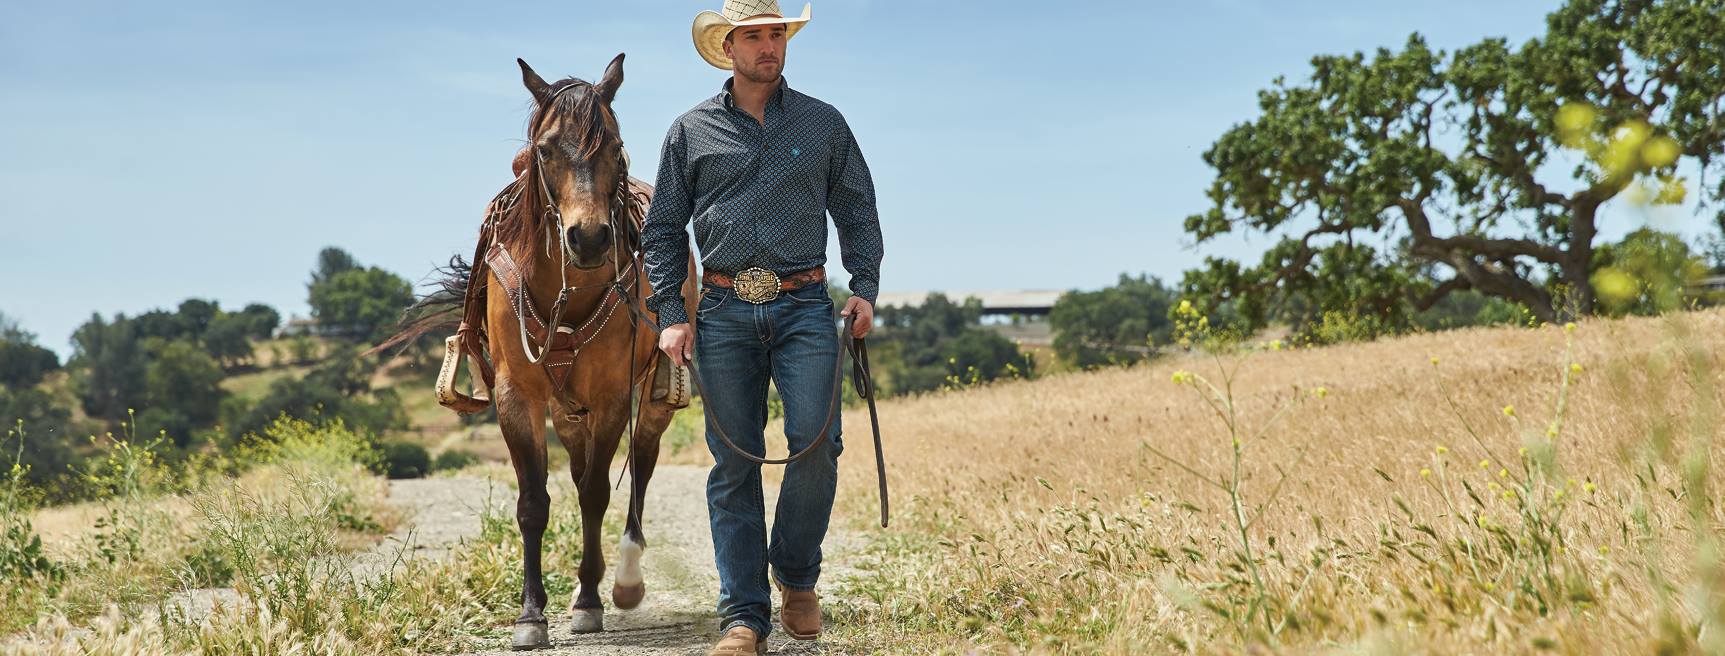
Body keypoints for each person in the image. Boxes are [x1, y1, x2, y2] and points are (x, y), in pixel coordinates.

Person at [640, 1, 883, 654]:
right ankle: (743, 618)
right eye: (753, 36)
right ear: (728, 46)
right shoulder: (689, 131)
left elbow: (857, 208)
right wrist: (671, 317)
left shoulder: (823, 123)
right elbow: (662, 232)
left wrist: (864, 287)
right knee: (735, 463)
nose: (768, 46)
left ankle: (796, 576)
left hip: (806, 305)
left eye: (776, 34)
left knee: (817, 443)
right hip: (721, 311)